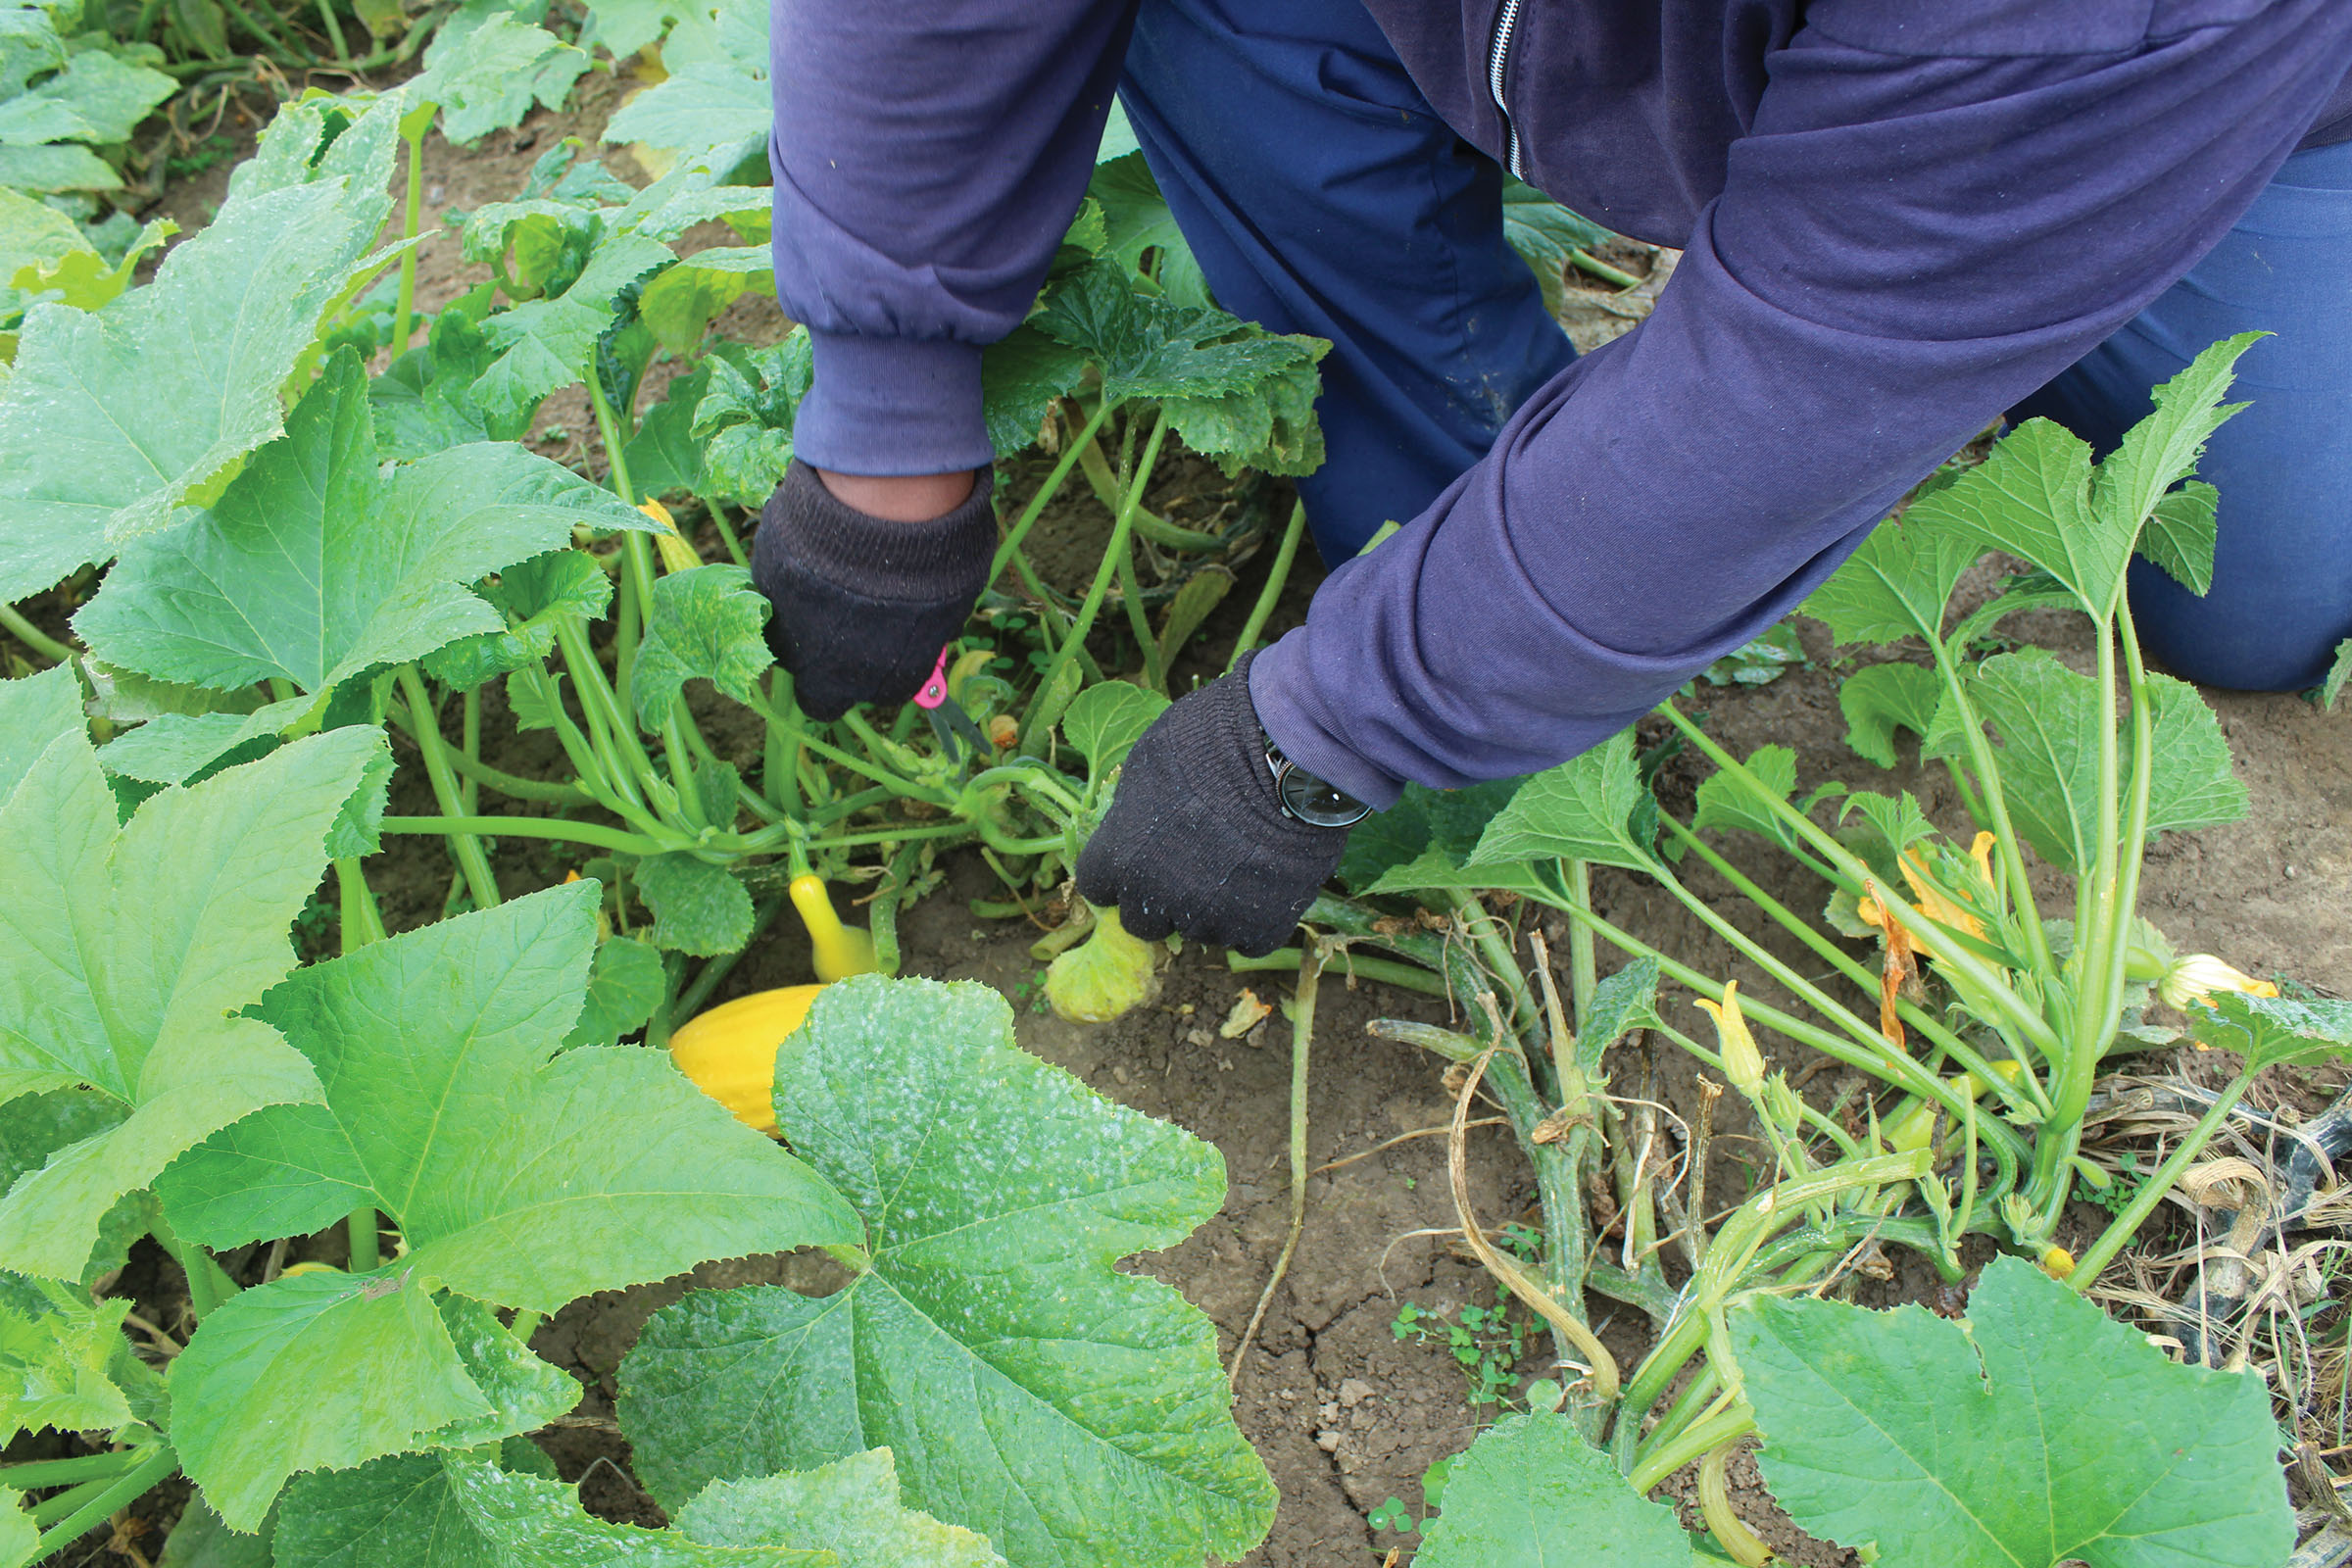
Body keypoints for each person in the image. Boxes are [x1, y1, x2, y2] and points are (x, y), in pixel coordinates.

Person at [750, 1, 2352, 958]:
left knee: (2261, 597)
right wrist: (885, 416)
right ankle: (1492, 571)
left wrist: (1315, 738)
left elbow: (1793, 381)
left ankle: (2047, 256)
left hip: (2159, 93)